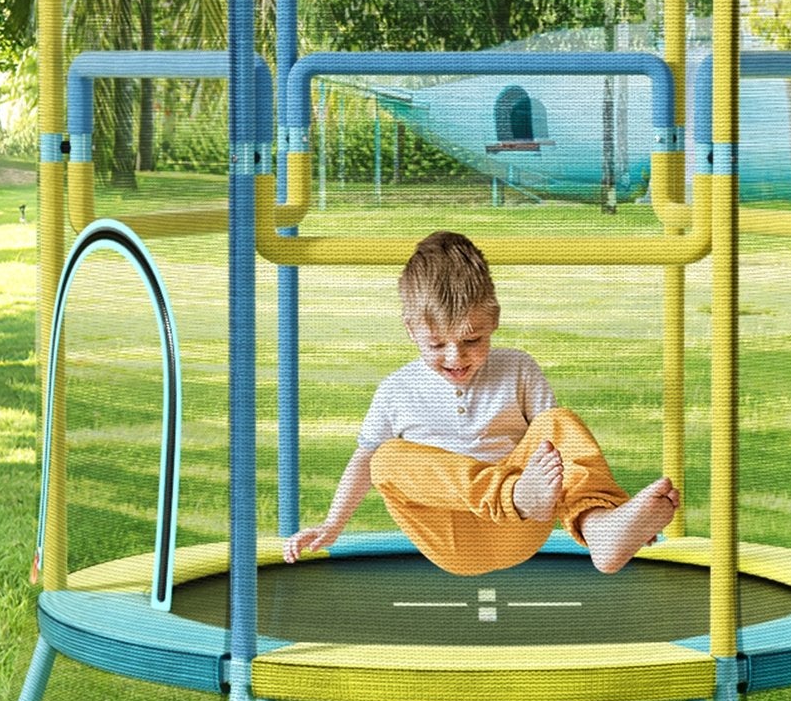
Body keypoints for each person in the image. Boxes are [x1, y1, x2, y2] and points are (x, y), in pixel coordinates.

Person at [282, 230, 679, 576]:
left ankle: (600, 528)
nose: (456, 358)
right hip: (451, 536)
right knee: (383, 457)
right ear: (410, 329)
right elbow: (363, 464)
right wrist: (332, 525)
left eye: (473, 340)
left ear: (494, 320)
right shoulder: (396, 390)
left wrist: (539, 495)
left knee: (558, 422)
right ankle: (516, 496)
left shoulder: (518, 368)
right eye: (437, 344)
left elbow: (562, 455)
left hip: (523, 524)